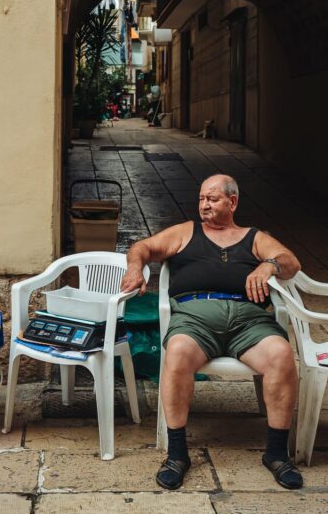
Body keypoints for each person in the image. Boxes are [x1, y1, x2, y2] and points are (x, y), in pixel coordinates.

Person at [120, 174, 303, 490]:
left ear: (232, 202)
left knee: (281, 354)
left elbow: (291, 262)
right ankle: (177, 455)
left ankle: (276, 454)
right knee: (176, 352)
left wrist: (268, 265)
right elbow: (142, 247)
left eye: (212, 199)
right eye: (202, 198)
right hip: (195, 319)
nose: (204, 204)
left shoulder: (254, 237)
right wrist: (135, 268)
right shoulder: (186, 233)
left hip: (248, 321)